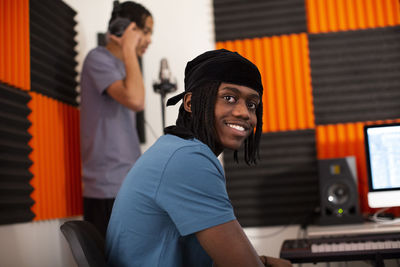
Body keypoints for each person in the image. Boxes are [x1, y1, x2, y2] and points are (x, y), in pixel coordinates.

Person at [106, 49, 292, 267]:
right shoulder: (188, 160)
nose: (244, 113)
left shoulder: (175, 149)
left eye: (252, 104)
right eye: (229, 98)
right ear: (190, 103)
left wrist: (263, 261)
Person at [79, 1, 153, 238]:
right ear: (126, 29)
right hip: (106, 188)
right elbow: (136, 100)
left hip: (127, 184)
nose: (150, 40)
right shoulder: (97, 58)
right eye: (147, 31)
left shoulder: (124, 69)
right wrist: (130, 49)